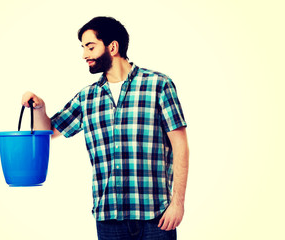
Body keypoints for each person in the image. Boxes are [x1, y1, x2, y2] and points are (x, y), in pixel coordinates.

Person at [22, 16, 189, 240]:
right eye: (83, 48)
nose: (84, 55)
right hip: (109, 219)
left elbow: (180, 146)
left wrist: (177, 204)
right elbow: (49, 132)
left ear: (113, 47)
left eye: (90, 47)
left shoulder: (158, 85)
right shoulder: (87, 96)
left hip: (157, 217)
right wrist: (39, 107)